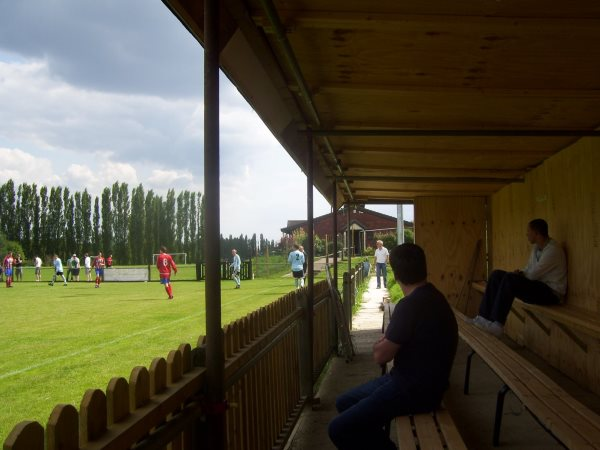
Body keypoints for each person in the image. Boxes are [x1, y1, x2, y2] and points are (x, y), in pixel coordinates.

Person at [328, 243, 458, 450]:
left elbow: (381, 356)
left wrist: (384, 343)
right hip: (422, 382)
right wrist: (388, 344)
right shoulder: (434, 296)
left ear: (396, 274)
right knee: (345, 401)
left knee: (338, 428)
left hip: (416, 390)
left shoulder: (410, 305)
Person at [471, 218, 567, 337]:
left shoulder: (553, 250)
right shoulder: (537, 248)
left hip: (552, 293)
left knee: (510, 279)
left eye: (529, 231)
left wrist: (518, 275)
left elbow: (532, 274)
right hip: (538, 286)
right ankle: (483, 318)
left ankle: (497, 325)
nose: (527, 234)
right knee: (496, 275)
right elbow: (528, 269)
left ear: (536, 233)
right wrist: (520, 272)